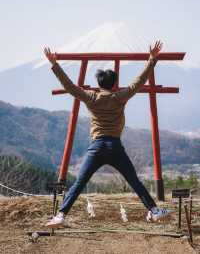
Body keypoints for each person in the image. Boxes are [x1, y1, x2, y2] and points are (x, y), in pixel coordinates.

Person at [44, 41, 171, 228]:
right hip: (115, 147)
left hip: (96, 147)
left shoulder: (91, 97)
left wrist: (55, 65)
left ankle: (60, 215)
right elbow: (138, 83)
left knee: (79, 183)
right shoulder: (119, 98)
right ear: (114, 85)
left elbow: (70, 86)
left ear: (99, 83)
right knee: (134, 180)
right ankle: (153, 210)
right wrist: (152, 60)